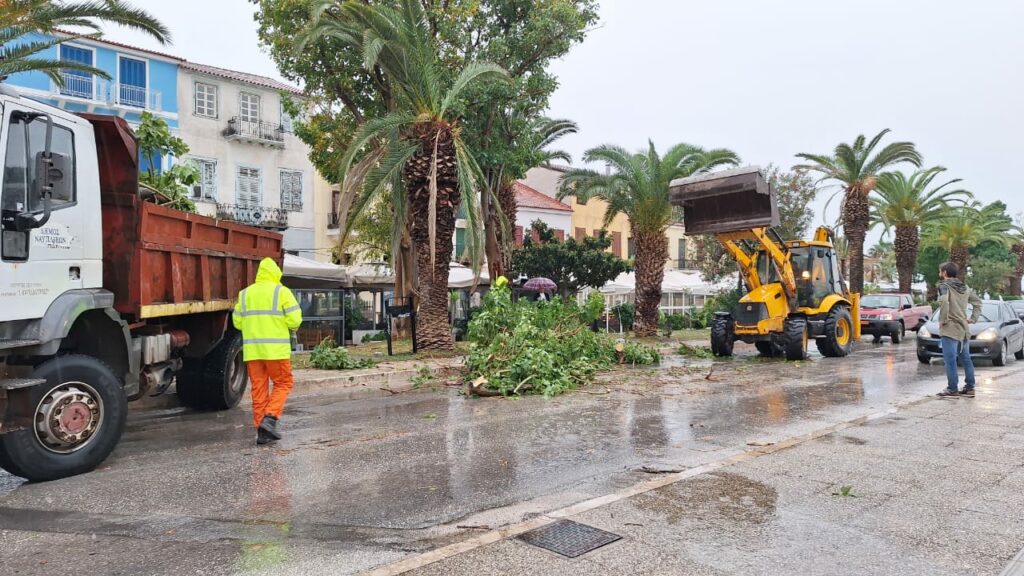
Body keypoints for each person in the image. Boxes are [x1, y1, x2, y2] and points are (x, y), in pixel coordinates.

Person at [232, 258, 303, 444]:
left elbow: (237, 322)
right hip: (276, 351)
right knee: (283, 383)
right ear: (276, 273)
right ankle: (270, 419)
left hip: (253, 352)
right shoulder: (282, 292)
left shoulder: (244, 294)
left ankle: (261, 431)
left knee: (259, 389)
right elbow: (295, 320)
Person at [935, 262, 981, 398]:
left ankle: (952, 389)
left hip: (950, 328)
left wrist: (942, 320)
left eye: (940, 271)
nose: (939, 273)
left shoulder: (944, 286)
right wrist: (973, 318)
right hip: (963, 328)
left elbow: (944, 302)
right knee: (966, 358)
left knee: (950, 360)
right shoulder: (965, 287)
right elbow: (978, 302)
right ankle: (969, 387)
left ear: (944, 272)